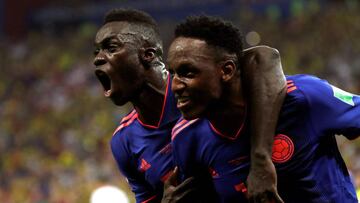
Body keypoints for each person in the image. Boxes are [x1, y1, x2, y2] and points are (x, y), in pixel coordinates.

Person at [93, 9, 286, 203]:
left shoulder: (202, 90)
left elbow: (263, 57)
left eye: (111, 48)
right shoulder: (124, 142)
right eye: (97, 51)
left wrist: (261, 159)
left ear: (148, 55)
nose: (98, 59)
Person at [166, 15, 360, 203]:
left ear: (227, 70)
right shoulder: (186, 137)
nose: (174, 86)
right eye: (172, 73)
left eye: (188, 73)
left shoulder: (304, 97)